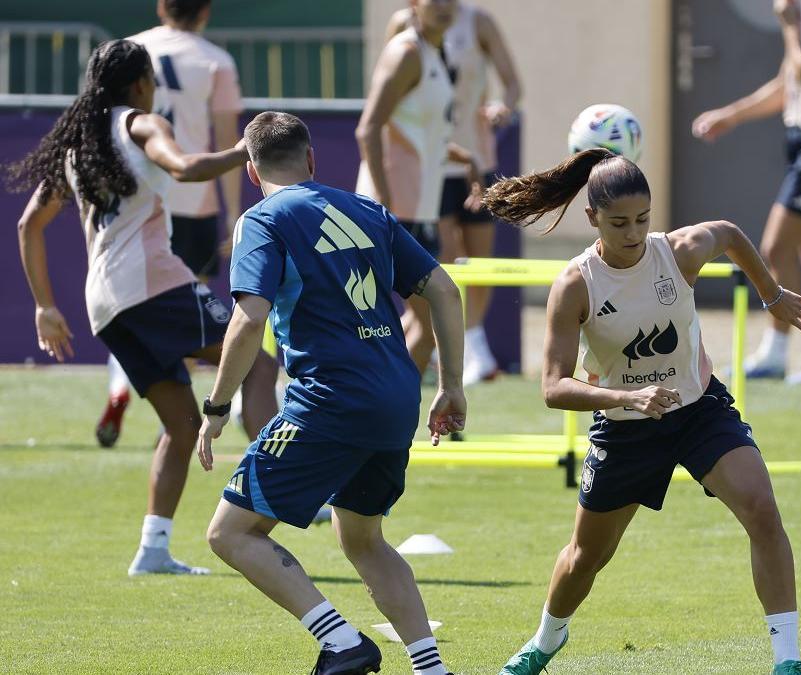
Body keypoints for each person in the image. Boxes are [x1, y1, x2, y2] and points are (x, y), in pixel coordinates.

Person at [481, 148, 801, 675]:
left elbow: (727, 232)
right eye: (618, 223)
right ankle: (545, 641)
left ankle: (788, 659)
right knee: (586, 557)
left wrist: (771, 294)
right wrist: (625, 398)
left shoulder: (677, 253)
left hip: (699, 411)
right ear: (592, 218)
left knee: (762, 509)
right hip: (625, 429)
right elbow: (552, 387)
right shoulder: (575, 284)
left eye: (642, 219)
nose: (633, 233)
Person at [197, 111, 467, 675]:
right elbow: (443, 288)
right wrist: (451, 385)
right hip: (396, 397)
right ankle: (432, 670)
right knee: (363, 538)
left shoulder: (262, 219)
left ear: (251, 170)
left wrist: (218, 408)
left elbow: (249, 320)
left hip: (330, 400)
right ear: (313, 160)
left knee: (230, 532)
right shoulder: (369, 209)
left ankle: (342, 641)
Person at [10, 39, 277, 575]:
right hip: (153, 285)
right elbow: (183, 168)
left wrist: (45, 306)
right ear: (138, 85)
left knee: (181, 426)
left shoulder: (78, 145)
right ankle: (286, 486)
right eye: (152, 81)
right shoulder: (139, 124)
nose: (154, 91)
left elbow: (27, 225)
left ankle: (153, 549)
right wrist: (245, 150)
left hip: (105, 304)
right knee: (258, 363)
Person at [92, 0, 256, 447]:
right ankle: (211, 415)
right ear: (205, 11)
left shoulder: (128, 49)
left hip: (135, 205)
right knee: (189, 320)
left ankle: (121, 389)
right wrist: (234, 211)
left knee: (155, 314)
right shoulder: (215, 60)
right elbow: (225, 136)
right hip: (193, 199)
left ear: (163, 6)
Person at [387, 0, 521, 385]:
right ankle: (446, 356)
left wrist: (503, 107)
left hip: (473, 161)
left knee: (479, 266)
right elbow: (381, 111)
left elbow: (514, 83)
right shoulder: (406, 35)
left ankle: (470, 343)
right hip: (426, 170)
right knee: (442, 271)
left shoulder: (479, 22)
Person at [357, 0, 484, 377]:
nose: (445, 6)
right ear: (414, 5)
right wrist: (382, 200)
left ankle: (382, 409)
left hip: (418, 212)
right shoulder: (406, 52)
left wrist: (466, 158)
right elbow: (368, 129)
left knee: (425, 329)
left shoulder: (433, 53)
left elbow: (421, 133)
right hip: (396, 214)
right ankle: (380, 409)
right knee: (429, 325)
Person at [692, 0, 801, 383]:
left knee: (777, 247)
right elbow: (786, 85)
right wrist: (731, 116)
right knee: (798, 252)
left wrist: (792, 26)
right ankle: (791, 354)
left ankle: (786, 354)